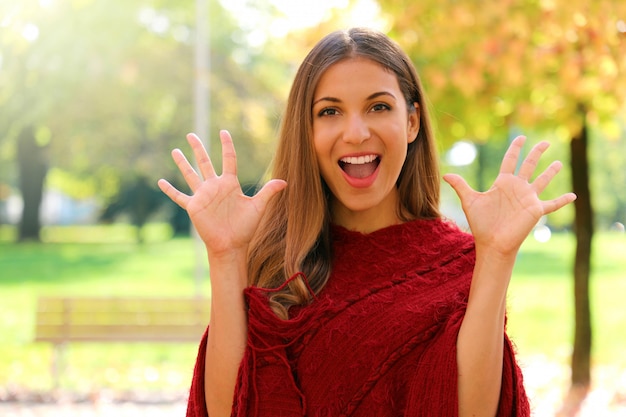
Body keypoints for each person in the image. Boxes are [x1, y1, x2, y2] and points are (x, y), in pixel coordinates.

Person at [158, 27, 576, 417]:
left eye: (378, 107)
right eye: (329, 112)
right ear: (306, 129)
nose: (355, 133)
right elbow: (230, 407)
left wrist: (498, 256)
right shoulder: (270, 257)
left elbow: (468, 409)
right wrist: (226, 255)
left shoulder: (463, 264)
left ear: (411, 121)